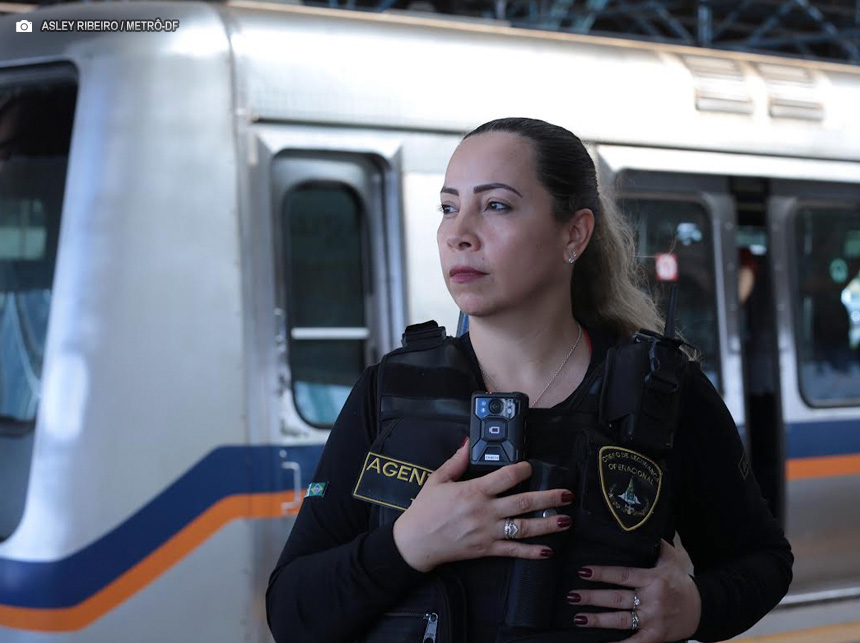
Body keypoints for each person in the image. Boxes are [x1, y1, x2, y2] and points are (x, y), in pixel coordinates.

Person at [266, 117, 793, 643]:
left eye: (495, 206)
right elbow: (292, 612)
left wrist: (696, 608)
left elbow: (763, 561)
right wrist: (409, 544)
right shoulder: (390, 392)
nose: (459, 234)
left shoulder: (660, 392)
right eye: (449, 208)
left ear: (575, 233)